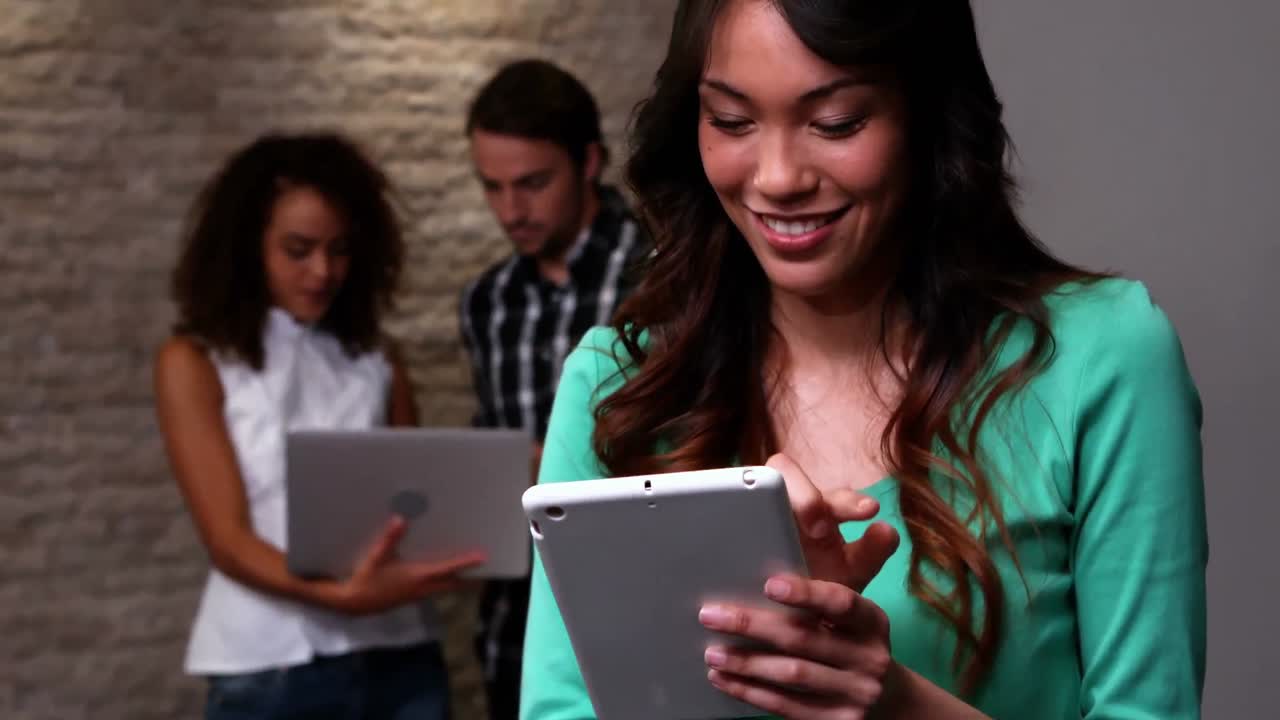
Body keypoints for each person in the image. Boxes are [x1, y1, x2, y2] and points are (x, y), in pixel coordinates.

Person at [521, 1, 1207, 719]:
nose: (778, 176)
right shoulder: (618, 385)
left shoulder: (1100, 358)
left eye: (836, 122)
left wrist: (897, 704)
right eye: (730, 121)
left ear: (927, 115)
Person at [154, 132, 483, 720]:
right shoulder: (195, 361)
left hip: (399, 654)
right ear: (248, 247)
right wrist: (337, 597)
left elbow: (415, 506)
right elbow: (228, 541)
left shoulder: (377, 359)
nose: (321, 271)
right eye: (298, 249)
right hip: (268, 662)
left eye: (339, 250)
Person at [457, 59, 651, 720]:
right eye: (493, 187)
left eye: (533, 183)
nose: (512, 210)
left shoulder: (668, 271)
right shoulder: (486, 301)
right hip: (514, 615)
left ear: (589, 162)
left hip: (641, 601)